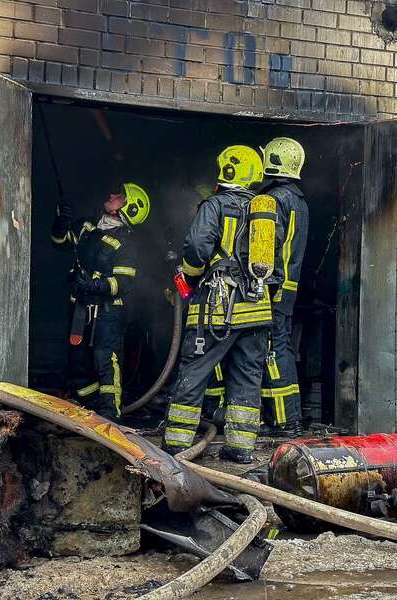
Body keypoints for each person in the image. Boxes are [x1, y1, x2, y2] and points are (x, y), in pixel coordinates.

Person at [162, 145, 276, 463]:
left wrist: (190, 276)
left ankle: (177, 444)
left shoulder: (214, 205)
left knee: (195, 369)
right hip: (257, 308)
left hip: (219, 307)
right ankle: (240, 447)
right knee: (247, 376)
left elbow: (197, 248)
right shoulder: (264, 212)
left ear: (227, 170)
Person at [51, 182, 150, 421]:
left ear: (127, 208)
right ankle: (90, 409)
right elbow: (60, 242)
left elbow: (124, 283)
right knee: (78, 362)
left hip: (107, 313)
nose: (112, 194)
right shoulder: (88, 225)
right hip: (80, 310)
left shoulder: (126, 243)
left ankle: (109, 415)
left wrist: (94, 285)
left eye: (120, 196)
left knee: (105, 361)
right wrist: (61, 221)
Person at [257, 137, 309, 437]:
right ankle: (287, 417)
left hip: (272, 287)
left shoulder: (274, 200)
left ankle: (285, 421)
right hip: (286, 288)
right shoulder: (298, 199)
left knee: (273, 351)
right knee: (281, 347)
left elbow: (267, 249)